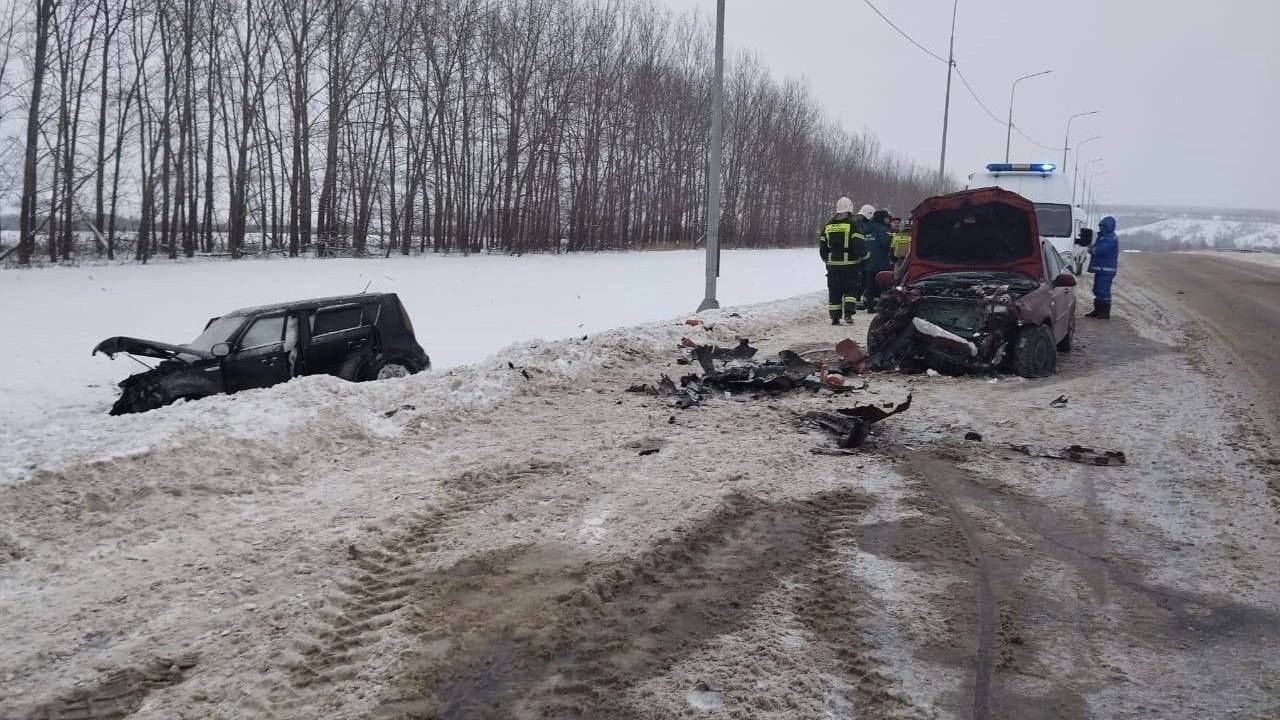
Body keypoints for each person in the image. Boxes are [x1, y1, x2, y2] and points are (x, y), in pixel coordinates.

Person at [819, 197, 867, 324]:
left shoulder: (828, 225)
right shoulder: (853, 224)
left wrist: (826, 259)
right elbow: (859, 244)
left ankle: (835, 317)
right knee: (851, 289)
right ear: (850, 209)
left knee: (835, 290)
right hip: (850, 264)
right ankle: (848, 314)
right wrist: (864, 255)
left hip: (833, 266)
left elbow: (823, 246)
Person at [1086, 216, 1119, 319]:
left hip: (1106, 269)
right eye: (1101, 226)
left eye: (1103, 226)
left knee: (1103, 291)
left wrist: (1092, 249)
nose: (1101, 228)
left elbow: (1100, 250)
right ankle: (1098, 310)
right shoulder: (1102, 237)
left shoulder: (1110, 238)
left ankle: (1104, 313)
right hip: (1101, 268)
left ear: (1109, 227)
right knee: (1097, 290)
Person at [861, 208, 894, 312]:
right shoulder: (883, 229)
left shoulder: (866, 228)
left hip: (867, 262)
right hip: (881, 262)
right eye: (887, 218)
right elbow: (886, 243)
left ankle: (870, 306)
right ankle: (881, 306)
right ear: (882, 218)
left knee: (870, 286)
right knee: (882, 285)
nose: (888, 220)